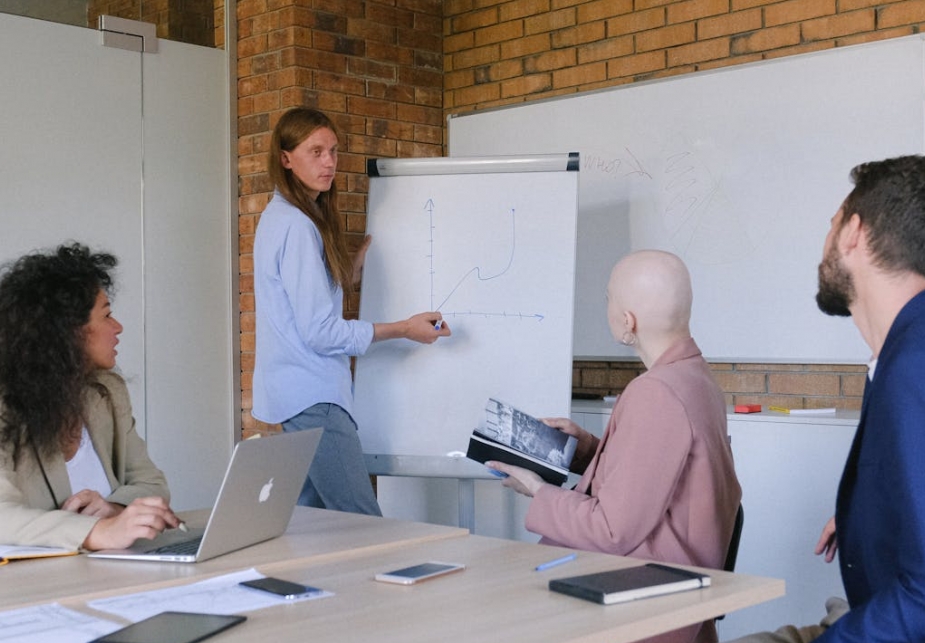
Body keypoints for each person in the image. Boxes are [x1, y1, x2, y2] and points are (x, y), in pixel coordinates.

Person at [487, 249, 741, 643]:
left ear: (628, 322)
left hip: (640, 604)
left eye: (608, 298)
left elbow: (611, 531)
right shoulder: (695, 378)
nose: (606, 307)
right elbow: (659, 475)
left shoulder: (655, 392)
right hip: (678, 593)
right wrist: (587, 449)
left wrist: (537, 490)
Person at [729, 156, 925, 643]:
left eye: (831, 226)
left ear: (853, 233)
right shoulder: (903, 352)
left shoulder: (914, 366)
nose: (823, 247)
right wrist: (865, 513)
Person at [252, 107, 450, 516]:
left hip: (296, 397)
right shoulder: (297, 226)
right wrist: (404, 329)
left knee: (310, 526)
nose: (329, 163)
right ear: (286, 158)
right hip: (315, 397)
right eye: (316, 151)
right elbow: (320, 333)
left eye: (333, 152)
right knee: (364, 524)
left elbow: (296, 308)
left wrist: (346, 276)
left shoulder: (279, 218)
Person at [0, 243, 183, 551]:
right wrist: (97, 531)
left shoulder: (107, 392)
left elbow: (154, 485)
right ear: (67, 331)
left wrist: (113, 509)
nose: (118, 327)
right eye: (107, 316)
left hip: (80, 570)